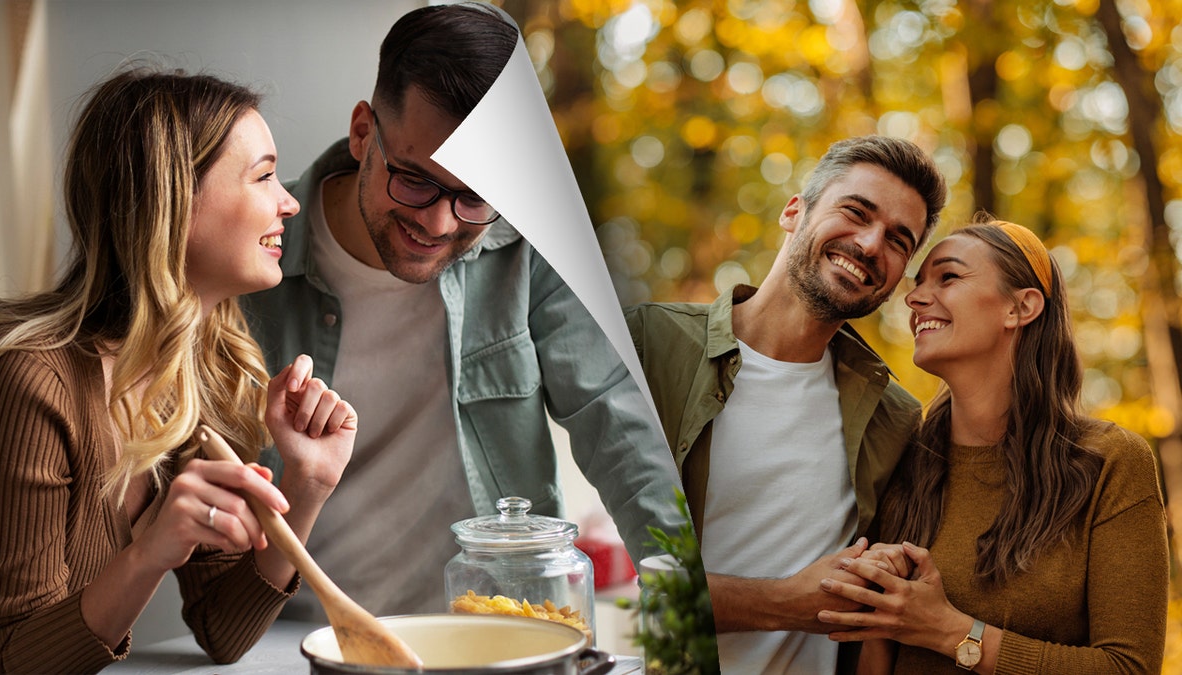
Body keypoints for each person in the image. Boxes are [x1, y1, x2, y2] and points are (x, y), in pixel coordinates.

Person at [239, 2, 685, 621]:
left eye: (474, 196)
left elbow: (614, 418)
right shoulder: (248, 263)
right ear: (364, 131)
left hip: (498, 632)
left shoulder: (528, 241)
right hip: (305, 640)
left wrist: (686, 607)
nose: (439, 222)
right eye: (416, 181)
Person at [0, 68, 356, 673]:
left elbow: (221, 630)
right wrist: (150, 551)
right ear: (173, 201)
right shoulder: (31, 382)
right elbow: (2, 660)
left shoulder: (197, 379)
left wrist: (305, 486)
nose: (289, 201)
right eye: (263, 176)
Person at [625, 135, 948, 673]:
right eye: (856, 211)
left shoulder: (893, 419)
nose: (870, 245)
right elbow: (588, 573)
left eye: (898, 240)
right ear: (794, 211)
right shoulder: (648, 344)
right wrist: (784, 604)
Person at [817, 220, 1169, 674]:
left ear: (1020, 307)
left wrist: (950, 631)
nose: (915, 297)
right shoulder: (904, 459)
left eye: (947, 277)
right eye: (918, 282)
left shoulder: (1109, 462)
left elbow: (1130, 668)